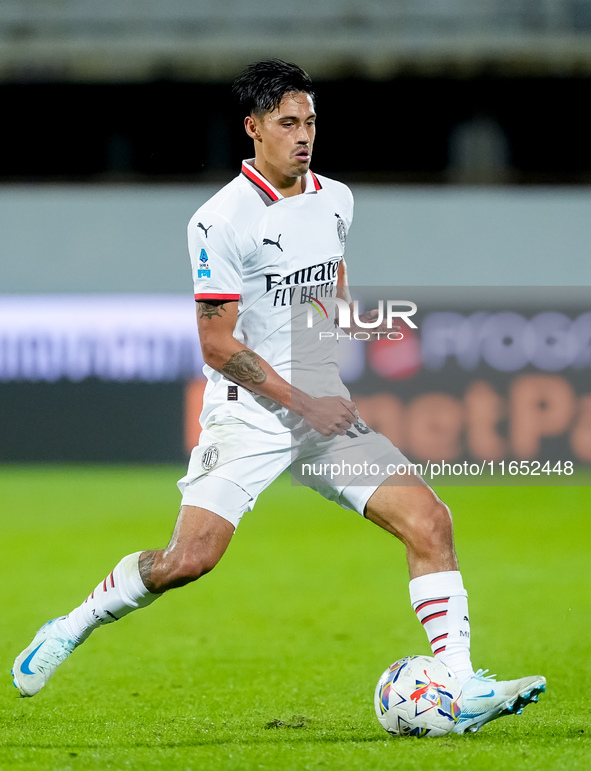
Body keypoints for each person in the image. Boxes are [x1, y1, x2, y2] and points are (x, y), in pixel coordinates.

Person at [12, 59, 544, 734]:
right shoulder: (219, 221)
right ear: (253, 127)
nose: (303, 135)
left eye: (311, 121)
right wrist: (304, 399)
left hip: (322, 409)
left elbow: (331, 272)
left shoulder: (337, 198)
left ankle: (461, 684)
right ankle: (74, 622)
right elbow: (215, 343)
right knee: (187, 560)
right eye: (288, 122)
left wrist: (344, 326)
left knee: (429, 520)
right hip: (252, 413)